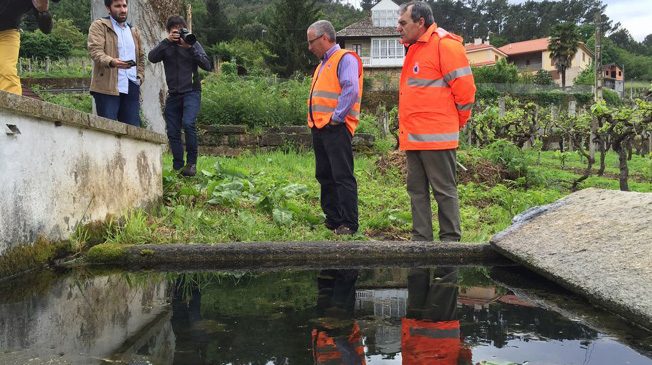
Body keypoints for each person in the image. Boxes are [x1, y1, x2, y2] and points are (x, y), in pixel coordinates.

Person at [396, 1, 476, 242]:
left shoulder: (444, 44)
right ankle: (421, 241)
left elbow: (465, 91)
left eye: (403, 22)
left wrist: (454, 123)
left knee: (444, 192)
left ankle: (450, 244)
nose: (398, 27)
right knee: (416, 191)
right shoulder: (414, 48)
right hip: (413, 137)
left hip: (438, 139)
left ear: (421, 22)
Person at [306, 20, 364, 235]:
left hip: (335, 127)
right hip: (320, 127)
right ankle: (333, 219)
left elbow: (351, 88)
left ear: (324, 38)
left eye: (311, 42)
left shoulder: (345, 58)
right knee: (325, 175)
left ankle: (349, 223)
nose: (310, 47)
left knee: (342, 176)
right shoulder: (323, 63)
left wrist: (336, 118)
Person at [148, 15, 212, 177]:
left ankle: (191, 163)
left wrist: (189, 48)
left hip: (191, 92)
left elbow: (207, 65)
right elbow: (152, 57)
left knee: (188, 124)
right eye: (174, 31)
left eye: (181, 30)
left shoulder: (192, 43)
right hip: (174, 94)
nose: (178, 34)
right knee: (173, 131)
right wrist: (167, 41)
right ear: (169, 32)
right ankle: (178, 165)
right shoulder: (166, 46)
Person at [87, 0, 144, 127]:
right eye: (117, 6)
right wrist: (111, 61)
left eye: (124, 6)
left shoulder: (133, 31)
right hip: (107, 86)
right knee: (108, 130)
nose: (122, 9)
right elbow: (95, 51)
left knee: (133, 131)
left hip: (131, 85)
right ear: (108, 9)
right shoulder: (99, 26)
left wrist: (140, 76)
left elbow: (140, 57)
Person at [402, 267, 473, 364]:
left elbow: (465, 360)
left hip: (442, 339)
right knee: (417, 278)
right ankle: (419, 254)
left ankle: (448, 254)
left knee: (446, 277)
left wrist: (464, 349)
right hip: (413, 337)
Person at [312, 269, 366, 364]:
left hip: (330, 334)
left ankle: (339, 266)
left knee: (330, 283)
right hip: (336, 334)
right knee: (336, 284)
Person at [0, 0, 52, 95]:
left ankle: (11, 107)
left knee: (7, 71)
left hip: (7, 32)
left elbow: (46, 29)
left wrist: (43, 11)